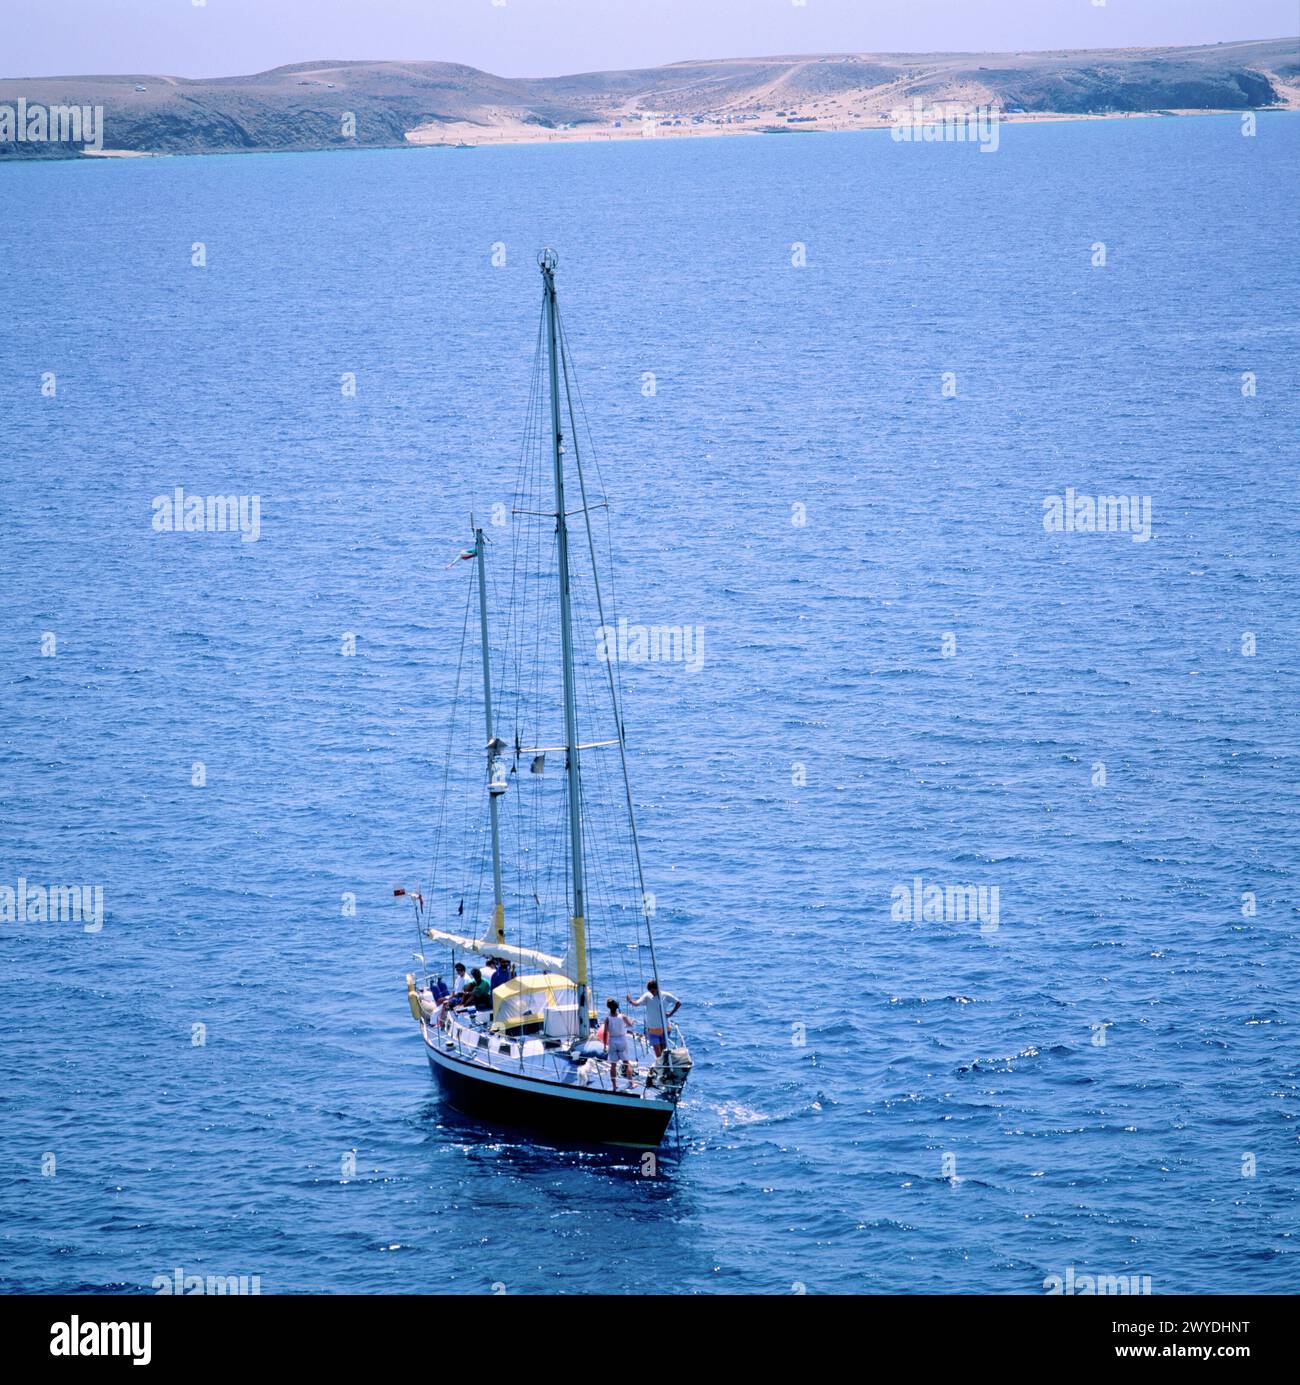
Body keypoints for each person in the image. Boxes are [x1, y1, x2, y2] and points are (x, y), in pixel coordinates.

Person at [627, 979, 681, 1057]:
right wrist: (630, 1001)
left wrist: (671, 1014)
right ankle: (660, 1066)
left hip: (665, 1028)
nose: (652, 993)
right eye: (650, 991)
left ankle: (664, 1065)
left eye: (653, 991)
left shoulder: (666, 995)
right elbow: (636, 1004)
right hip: (652, 1030)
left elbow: (678, 1003)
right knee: (657, 1051)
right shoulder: (647, 996)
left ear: (657, 988)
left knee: (663, 1051)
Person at [604, 998, 634, 1091]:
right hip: (622, 1039)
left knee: (613, 1065)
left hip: (612, 1040)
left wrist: (605, 1045)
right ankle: (631, 1083)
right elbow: (630, 1025)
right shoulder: (623, 1016)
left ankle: (614, 1085)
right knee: (626, 1063)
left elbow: (605, 1032)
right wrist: (632, 1021)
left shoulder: (607, 1018)